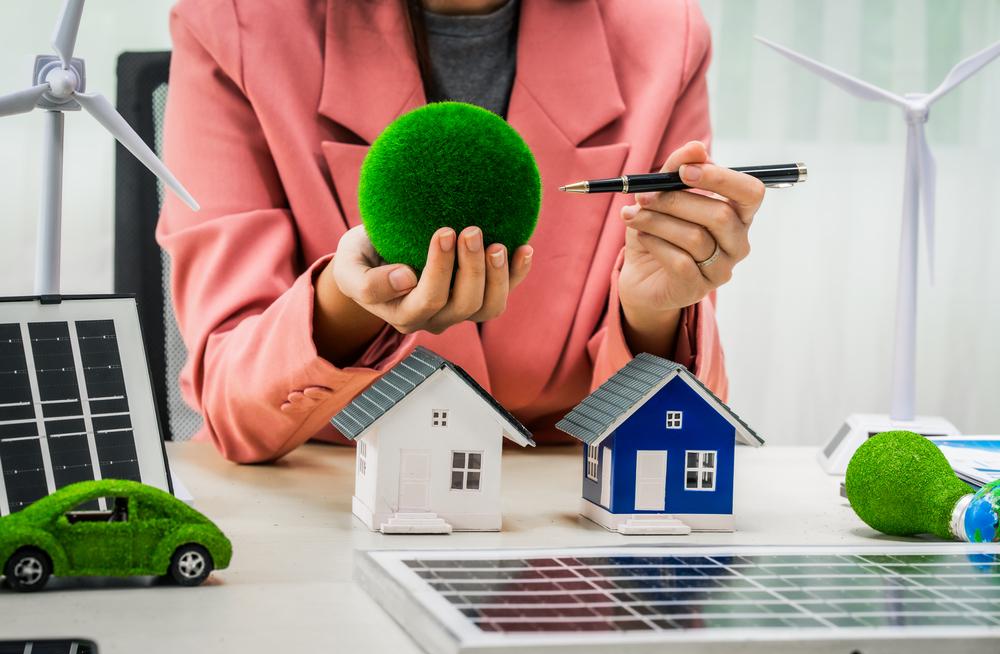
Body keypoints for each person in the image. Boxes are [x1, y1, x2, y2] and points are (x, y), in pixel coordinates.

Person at [158, 0, 765, 463]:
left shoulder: (663, 35)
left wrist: (652, 311)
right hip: (333, 491)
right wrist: (349, 306)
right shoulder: (236, 23)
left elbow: (676, 432)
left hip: (555, 506)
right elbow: (232, 402)